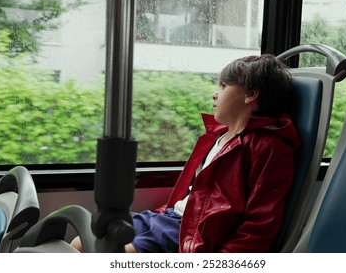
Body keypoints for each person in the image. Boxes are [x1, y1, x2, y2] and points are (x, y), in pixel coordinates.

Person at [71, 54, 300, 253]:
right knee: (81, 242)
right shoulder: (217, 137)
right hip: (171, 218)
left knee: (113, 254)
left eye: (222, 86)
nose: (214, 94)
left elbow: (260, 222)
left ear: (250, 94)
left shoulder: (269, 147)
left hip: (194, 233)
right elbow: (194, 194)